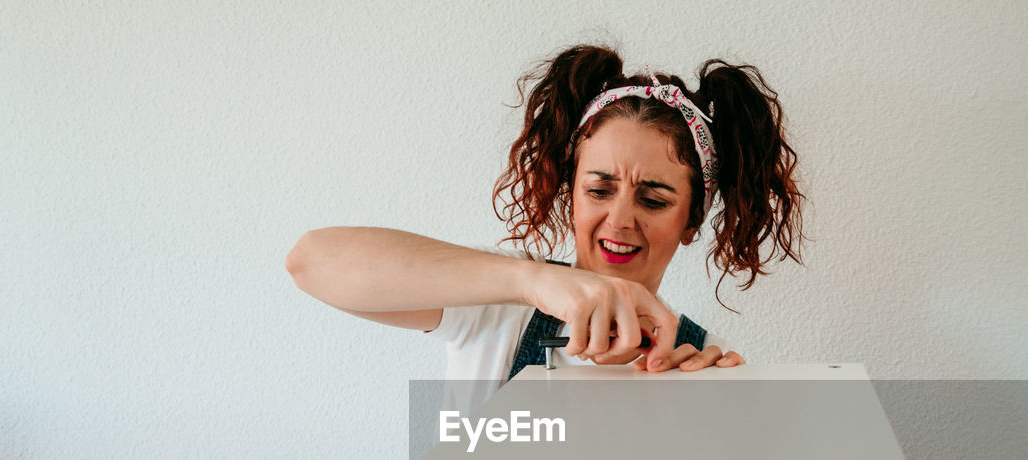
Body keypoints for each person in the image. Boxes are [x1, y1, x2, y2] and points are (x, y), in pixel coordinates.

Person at [285, 44, 803, 385]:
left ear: (691, 221)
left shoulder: (703, 359)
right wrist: (531, 282)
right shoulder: (496, 307)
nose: (620, 221)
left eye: (653, 200)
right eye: (599, 190)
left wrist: (719, 411)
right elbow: (310, 262)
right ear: (570, 193)